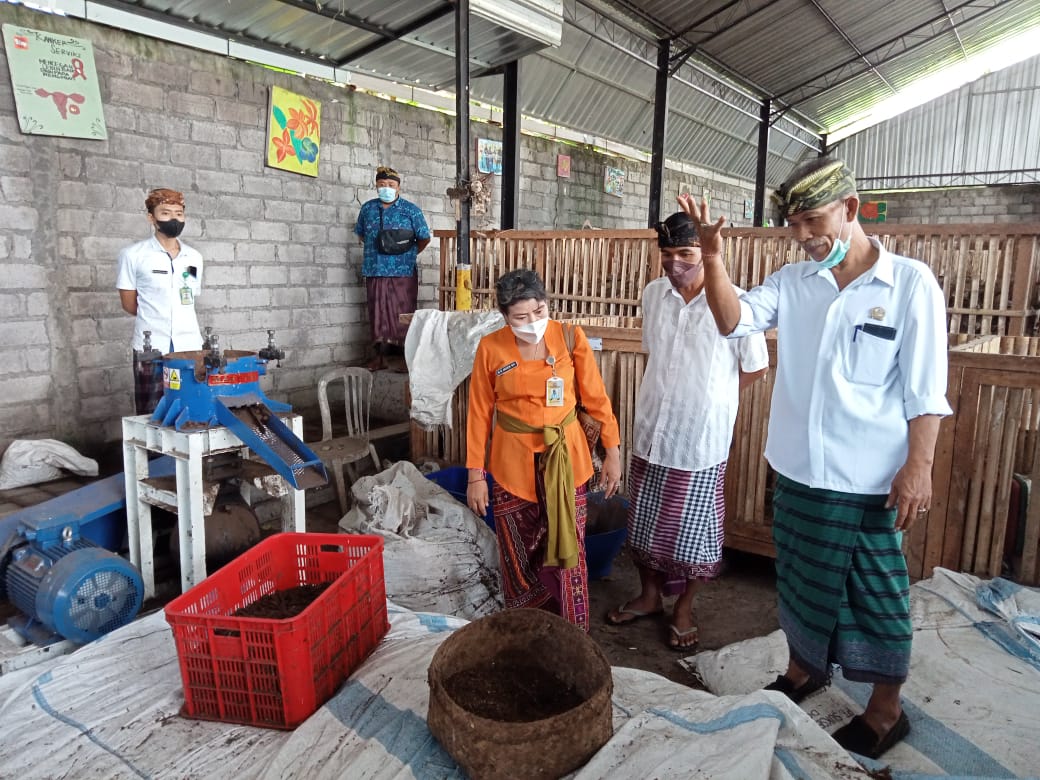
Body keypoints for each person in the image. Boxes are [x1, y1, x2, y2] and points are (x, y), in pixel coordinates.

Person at [679, 158, 952, 759]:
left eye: (811, 221)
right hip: (797, 469)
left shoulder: (909, 284)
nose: (802, 236)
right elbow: (732, 319)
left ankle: (885, 709)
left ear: (850, 209)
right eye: (793, 225)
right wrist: (713, 256)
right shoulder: (793, 281)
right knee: (799, 579)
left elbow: (925, 390)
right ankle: (805, 670)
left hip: (869, 478)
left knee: (875, 591)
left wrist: (919, 467)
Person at [606, 212, 769, 650]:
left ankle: (683, 609)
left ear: (708, 253)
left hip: (700, 438)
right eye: (667, 253)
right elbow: (655, 354)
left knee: (693, 535)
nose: (675, 262)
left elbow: (754, 367)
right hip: (652, 427)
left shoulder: (735, 302)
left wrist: (715, 398)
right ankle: (650, 596)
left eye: (686, 253)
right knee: (643, 524)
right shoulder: (654, 294)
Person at [466, 269, 623, 633]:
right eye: (521, 317)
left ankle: (571, 634)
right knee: (517, 557)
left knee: (570, 555)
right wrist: (476, 475)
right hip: (511, 466)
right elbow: (478, 414)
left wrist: (612, 451)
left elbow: (597, 400)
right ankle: (528, 633)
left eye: (539, 311)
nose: (532, 322)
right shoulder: (491, 348)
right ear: (504, 316)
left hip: (567, 461)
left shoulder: (569, 337)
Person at [116, 187, 203, 414]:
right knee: (151, 412)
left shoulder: (193, 258)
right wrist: (156, 316)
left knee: (191, 408)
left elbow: (189, 296)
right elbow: (129, 304)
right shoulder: (133, 255)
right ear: (151, 218)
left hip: (189, 345)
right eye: (165, 213)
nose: (173, 219)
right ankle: (156, 452)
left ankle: (187, 451)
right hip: (151, 347)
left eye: (179, 214)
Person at [355, 166, 431, 370]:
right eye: (381, 185)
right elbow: (361, 234)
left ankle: (407, 359)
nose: (385, 188)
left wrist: (408, 255)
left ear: (398, 187)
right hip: (375, 269)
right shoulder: (368, 209)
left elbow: (424, 237)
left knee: (403, 312)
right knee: (377, 313)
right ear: (375, 186)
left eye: (390, 185)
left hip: (403, 271)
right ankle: (379, 358)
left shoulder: (411, 210)